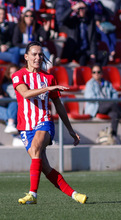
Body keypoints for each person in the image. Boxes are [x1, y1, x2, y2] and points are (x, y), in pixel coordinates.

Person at [12, 41, 87, 204]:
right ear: (26, 57)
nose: (38, 57)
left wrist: (70, 129)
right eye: (34, 54)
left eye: (40, 54)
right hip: (25, 127)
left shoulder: (49, 78)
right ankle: (75, 195)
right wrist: (47, 89)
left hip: (44, 121)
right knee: (44, 167)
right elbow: (25, 94)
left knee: (36, 148)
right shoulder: (18, 75)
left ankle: (32, 194)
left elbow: (59, 106)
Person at [84, 64, 121, 143]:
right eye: (94, 72)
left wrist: (111, 101)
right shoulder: (90, 84)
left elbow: (115, 93)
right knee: (112, 104)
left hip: (108, 106)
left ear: (101, 73)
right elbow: (90, 98)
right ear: (92, 74)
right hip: (96, 107)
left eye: (98, 72)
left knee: (115, 114)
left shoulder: (106, 83)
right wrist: (106, 101)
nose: (96, 74)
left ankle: (113, 136)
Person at [58, 1, 108, 66]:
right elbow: (61, 20)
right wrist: (72, 8)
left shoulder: (90, 22)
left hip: (87, 51)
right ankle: (84, 74)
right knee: (83, 57)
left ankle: (98, 74)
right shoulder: (73, 20)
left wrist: (93, 54)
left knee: (105, 54)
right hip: (76, 51)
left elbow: (93, 39)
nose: (81, 10)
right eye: (79, 8)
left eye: (83, 8)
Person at [0, 64, 19, 135]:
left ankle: (11, 126)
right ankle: (11, 124)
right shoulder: (5, 85)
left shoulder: (23, 84)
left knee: (13, 102)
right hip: (8, 107)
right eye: (11, 73)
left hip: (17, 105)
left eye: (15, 72)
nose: (13, 74)